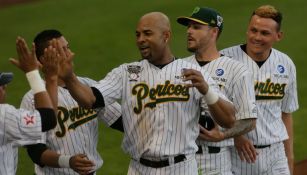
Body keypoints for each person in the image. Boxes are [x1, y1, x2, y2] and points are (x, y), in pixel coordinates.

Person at [56, 12, 236, 175]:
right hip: (139, 169)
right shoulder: (126, 73)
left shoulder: (193, 72)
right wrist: (70, 78)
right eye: (137, 34)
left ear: (166, 36)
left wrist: (206, 91)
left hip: (181, 169)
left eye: (147, 33)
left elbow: (228, 120)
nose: (140, 39)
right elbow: (91, 100)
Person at [20, 30, 122, 175]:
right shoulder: (33, 98)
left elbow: (122, 121)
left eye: (67, 47)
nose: (70, 53)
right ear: (44, 59)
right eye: (62, 50)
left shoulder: (86, 86)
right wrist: (68, 161)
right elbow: (36, 152)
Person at [177, 7, 257, 175]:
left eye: (196, 27)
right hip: (179, 161)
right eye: (189, 26)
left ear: (214, 32)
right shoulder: (177, 66)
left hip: (216, 163)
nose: (189, 31)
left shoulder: (237, 70)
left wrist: (223, 135)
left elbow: (249, 121)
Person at [220, 5, 299, 175]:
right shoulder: (225, 59)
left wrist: (289, 157)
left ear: (278, 36)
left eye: (264, 33)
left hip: (276, 154)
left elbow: (286, 113)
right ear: (247, 30)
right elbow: (213, 109)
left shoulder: (285, 64)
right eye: (253, 30)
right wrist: (236, 135)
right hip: (238, 155)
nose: (256, 37)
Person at [0, 37, 57, 175]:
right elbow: (48, 118)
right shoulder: (3, 116)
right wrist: (32, 73)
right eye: (1, 85)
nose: (4, 88)